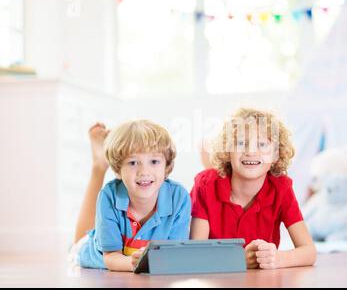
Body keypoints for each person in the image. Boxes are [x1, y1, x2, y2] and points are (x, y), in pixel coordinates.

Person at [190, 108, 316, 269]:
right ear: (228, 151)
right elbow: (194, 254)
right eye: (241, 143)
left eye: (262, 144)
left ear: (276, 154)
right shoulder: (205, 185)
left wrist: (277, 259)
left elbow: (309, 251)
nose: (250, 151)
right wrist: (237, 260)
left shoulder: (281, 187)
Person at [70, 120, 191, 271]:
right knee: (78, 243)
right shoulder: (109, 196)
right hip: (97, 253)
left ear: (167, 167)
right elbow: (110, 257)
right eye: (133, 162)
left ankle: (104, 158)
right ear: (118, 170)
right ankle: (99, 165)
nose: (144, 171)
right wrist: (134, 263)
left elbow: (175, 254)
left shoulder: (179, 198)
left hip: (137, 260)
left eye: (154, 161)